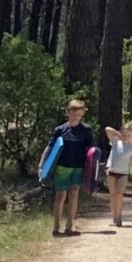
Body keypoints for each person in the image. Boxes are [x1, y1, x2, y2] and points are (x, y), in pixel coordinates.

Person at [47, 99, 96, 238]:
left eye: (78, 113)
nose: (75, 116)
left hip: (78, 167)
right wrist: (42, 163)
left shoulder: (86, 130)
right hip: (62, 166)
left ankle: (69, 226)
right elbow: (51, 147)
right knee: (60, 195)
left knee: (74, 193)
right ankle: (56, 227)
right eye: (73, 113)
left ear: (82, 115)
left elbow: (91, 150)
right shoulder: (60, 130)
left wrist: (92, 169)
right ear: (68, 112)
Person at [101, 119, 132, 228]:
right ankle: (114, 216)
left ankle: (119, 217)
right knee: (112, 195)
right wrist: (117, 133)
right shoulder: (115, 142)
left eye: (128, 135)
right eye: (124, 134)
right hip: (111, 171)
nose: (125, 137)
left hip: (123, 173)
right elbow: (107, 129)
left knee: (119, 194)